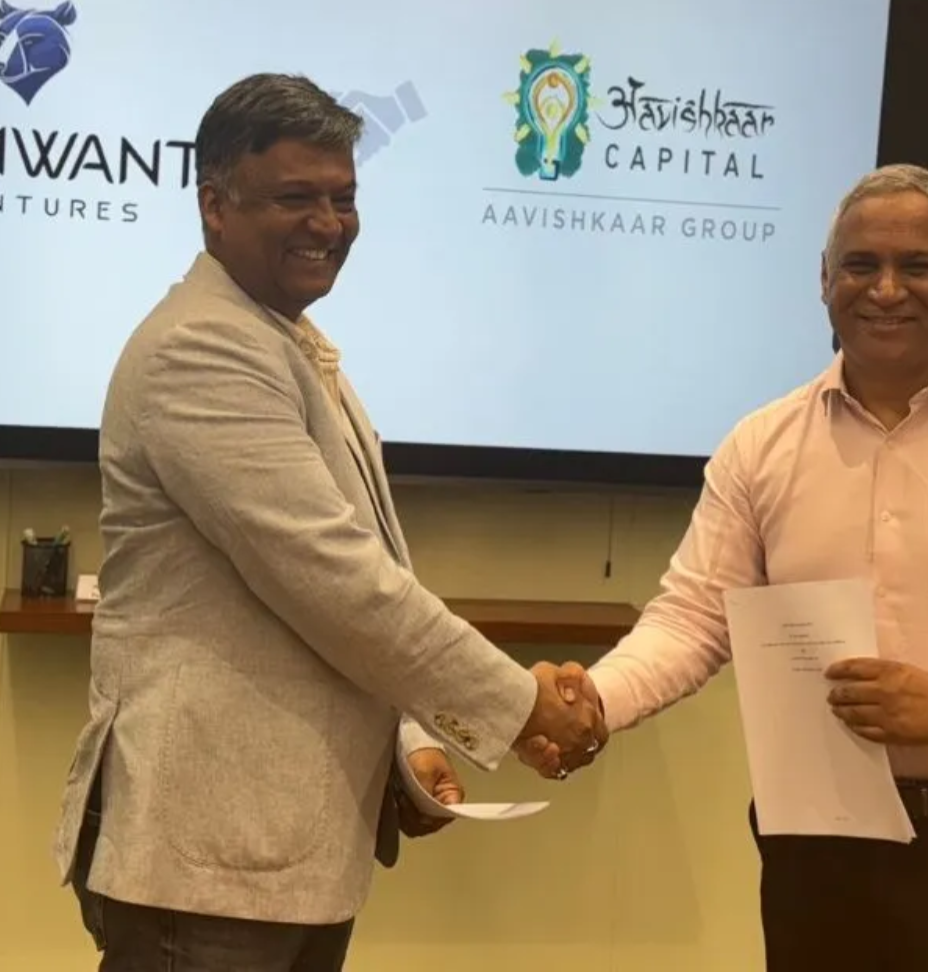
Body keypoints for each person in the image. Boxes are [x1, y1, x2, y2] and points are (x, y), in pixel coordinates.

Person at [540, 164, 928, 973]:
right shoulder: (760, 446)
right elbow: (692, 620)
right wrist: (595, 699)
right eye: (861, 264)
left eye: (918, 265)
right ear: (824, 278)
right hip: (819, 856)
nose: (886, 289)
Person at [52, 73, 604, 974]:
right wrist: (518, 705)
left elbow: (346, 598)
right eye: (295, 197)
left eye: (343, 198)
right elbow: (336, 583)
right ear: (214, 205)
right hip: (209, 866)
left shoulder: (284, 338)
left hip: (281, 857)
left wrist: (413, 744)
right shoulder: (204, 346)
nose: (329, 222)